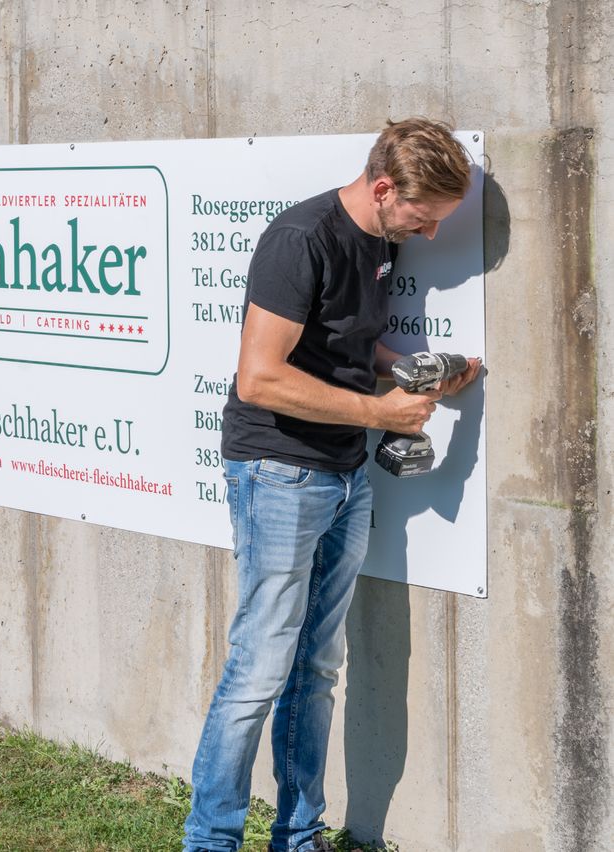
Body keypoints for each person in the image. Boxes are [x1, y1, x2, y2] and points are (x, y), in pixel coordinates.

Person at [183, 118, 483, 852]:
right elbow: (259, 377)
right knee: (259, 666)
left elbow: (344, 341)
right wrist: (379, 411)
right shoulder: (301, 239)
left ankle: (299, 834)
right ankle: (210, 840)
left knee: (315, 665)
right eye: (424, 218)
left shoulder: (378, 240)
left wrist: (413, 369)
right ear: (383, 188)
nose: (431, 235)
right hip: (280, 471)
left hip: (345, 475)